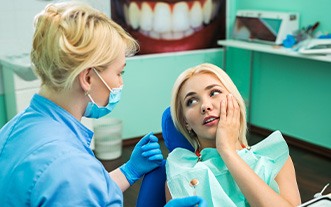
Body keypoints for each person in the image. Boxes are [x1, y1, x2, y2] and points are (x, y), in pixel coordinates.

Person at [0, 2, 205, 206]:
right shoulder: (70, 166)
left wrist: (129, 170)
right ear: (87, 78)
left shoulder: (13, 130)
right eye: (119, 73)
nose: (120, 83)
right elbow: (77, 185)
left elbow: (85, 192)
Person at [165, 63, 302, 207]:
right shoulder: (179, 175)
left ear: (235, 100)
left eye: (214, 93)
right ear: (186, 122)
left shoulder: (275, 158)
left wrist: (227, 151)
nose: (205, 106)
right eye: (191, 101)